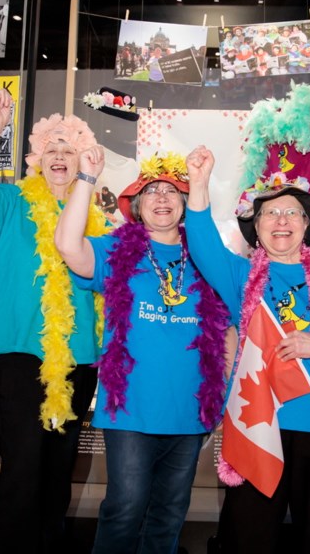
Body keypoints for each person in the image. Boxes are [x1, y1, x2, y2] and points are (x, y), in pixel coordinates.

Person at [183, 146, 310, 553]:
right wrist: (198, 184)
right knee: (248, 535)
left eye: (292, 212)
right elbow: (202, 247)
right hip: (260, 424)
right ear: (257, 226)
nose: (281, 221)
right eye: (270, 213)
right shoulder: (239, 274)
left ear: (307, 225)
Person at [0, 99, 108, 553]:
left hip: (78, 358)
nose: (60, 154)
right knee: (22, 468)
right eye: (52, 148)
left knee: (58, 472)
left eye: (70, 149)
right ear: (38, 159)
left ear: (83, 163)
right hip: (18, 353)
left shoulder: (98, 219)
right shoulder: (12, 200)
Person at [54, 151, 230, 554]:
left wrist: (220, 394)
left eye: (173, 190)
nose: (163, 198)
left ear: (186, 203)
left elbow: (229, 326)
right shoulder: (117, 252)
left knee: (170, 512)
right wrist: (87, 176)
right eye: (152, 191)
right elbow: (67, 244)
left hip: (189, 409)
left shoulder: (206, 256)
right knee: (125, 508)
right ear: (136, 205)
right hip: (130, 409)